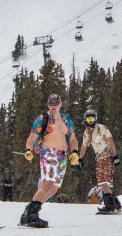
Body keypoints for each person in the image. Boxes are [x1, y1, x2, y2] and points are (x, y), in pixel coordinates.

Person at [20, 94, 79, 228]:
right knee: (48, 183)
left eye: (55, 103)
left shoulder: (66, 119)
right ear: (47, 105)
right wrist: (28, 150)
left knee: (53, 189)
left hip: (62, 156)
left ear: (60, 104)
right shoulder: (43, 119)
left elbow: (73, 139)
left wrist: (75, 152)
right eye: (50, 103)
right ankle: (32, 215)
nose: (53, 106)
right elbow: (31, 137)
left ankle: (29, 210)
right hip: (48, 153)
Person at [80, 109, 122, 213]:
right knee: (103, 182)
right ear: (85, 119)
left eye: (92, 118)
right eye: (88, 119)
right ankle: (116, 205)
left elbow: (110, 141)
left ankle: (110, 206)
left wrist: (115, 156)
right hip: (99, 159)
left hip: (107, 157)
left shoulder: (101, 128)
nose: (90, 121)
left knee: (103, 182)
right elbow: (84, 146)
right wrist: (80, 159)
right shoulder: (87, 132)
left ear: (95, 119)